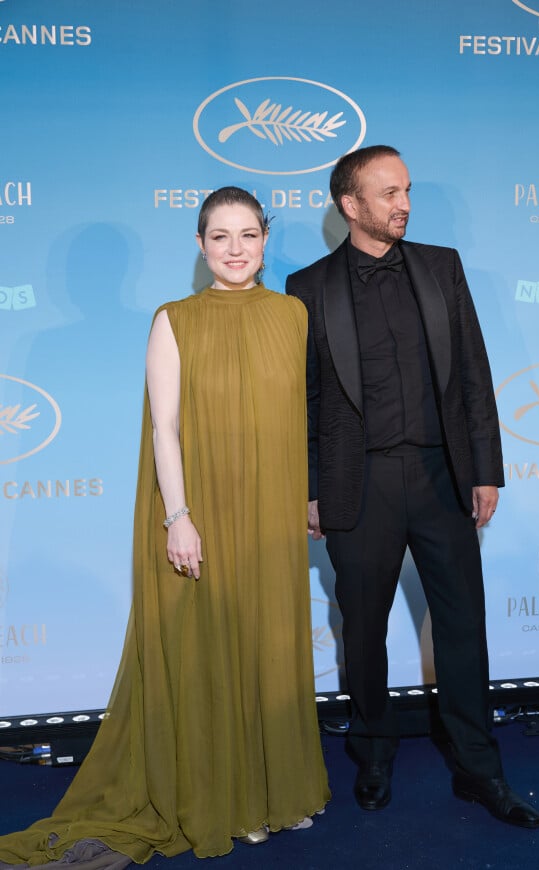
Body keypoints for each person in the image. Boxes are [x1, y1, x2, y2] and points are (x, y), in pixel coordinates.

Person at [0, 187, 329, 867]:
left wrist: (308, 497)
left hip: (271, 511)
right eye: (219, 237)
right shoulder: (173, 319)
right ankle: (226, 802)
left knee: (270, 650)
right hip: (200, 510)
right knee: (207, 651)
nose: (235, 250)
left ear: (265, 239)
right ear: (200, 245)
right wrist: (178, 517)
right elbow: (166, 428)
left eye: (247, 235)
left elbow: (305, 419)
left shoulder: (293, 314)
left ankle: (278, 792)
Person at [285, 146, 539, 829]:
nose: (403, 203)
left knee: (462, 627)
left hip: (439, 476)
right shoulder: (307, 286)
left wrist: (485, 467)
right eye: (388, 192)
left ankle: (480, 769)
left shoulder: (440, 267)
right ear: (350, 205)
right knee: (363, 632)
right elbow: (303, 402)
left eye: (406, 190)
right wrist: (310, 487)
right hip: (357, 484)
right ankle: (372, 754)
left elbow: (474, 376)